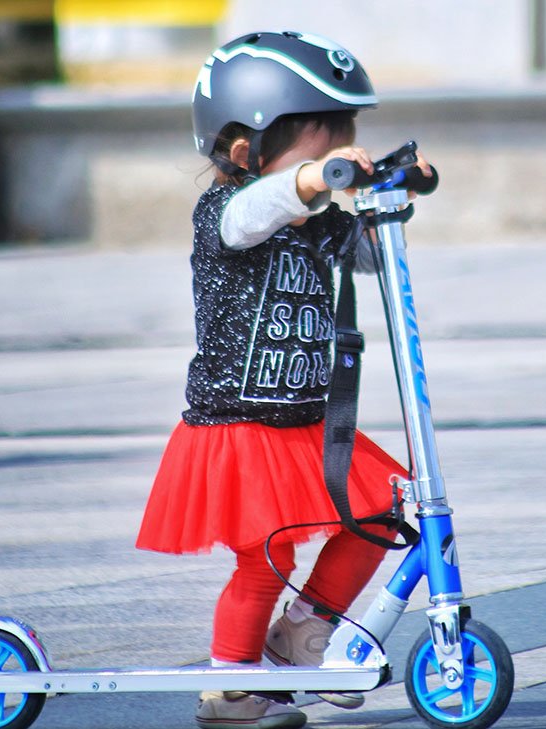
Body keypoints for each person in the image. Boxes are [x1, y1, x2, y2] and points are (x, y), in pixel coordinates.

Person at [135, 31, 431, 729]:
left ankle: (303, 628)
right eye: (320, 148)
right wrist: (303, 184)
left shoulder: (311, 223)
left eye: (344, 144)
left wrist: (392, 189)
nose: (334, 161)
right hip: (237, 425)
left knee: (381, 515)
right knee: (263, 557)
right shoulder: (227, 214)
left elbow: (364, 256)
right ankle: (229, 687)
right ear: (246, 149)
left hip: (302, 423)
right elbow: (254, 214)